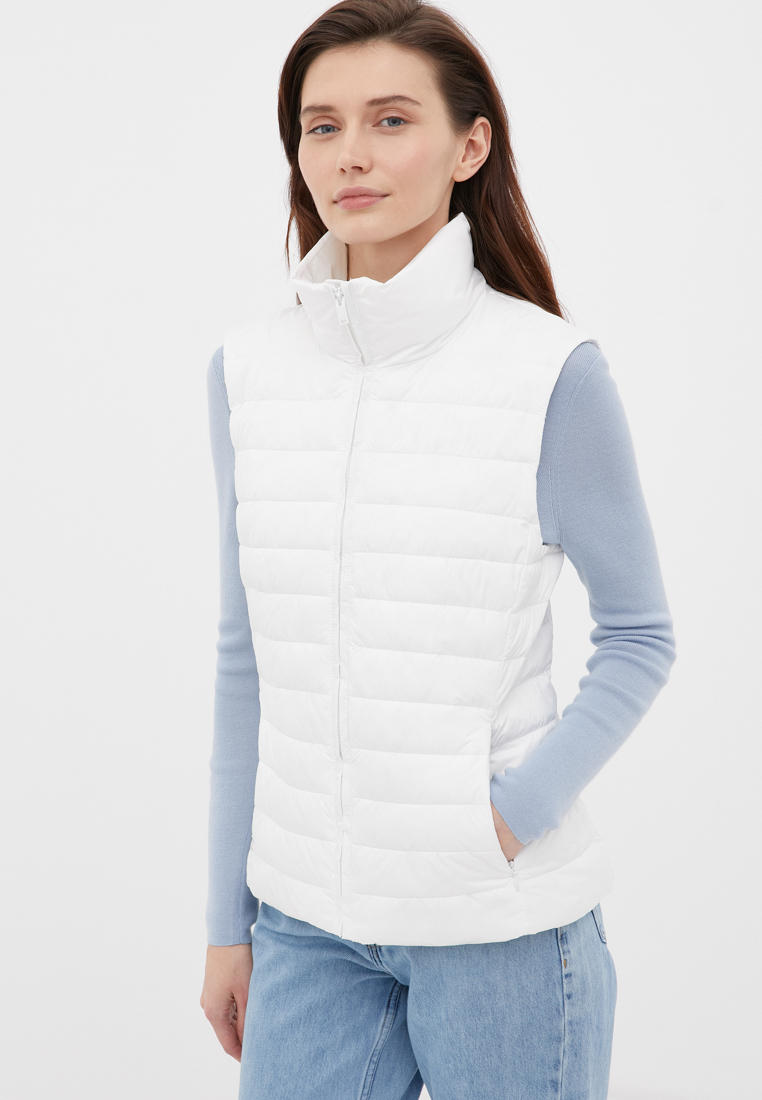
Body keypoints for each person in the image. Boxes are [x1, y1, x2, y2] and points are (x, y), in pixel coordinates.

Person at [199, 2, 677, 1096]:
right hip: (305, 923)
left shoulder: (551, 373)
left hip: (499, 928)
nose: (350, 154)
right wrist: (228, 919)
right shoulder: (247, 371)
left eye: (390, 119)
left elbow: (641, 636)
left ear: (470, 146)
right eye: (321, 126)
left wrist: (503, 820)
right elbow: (244, 656)